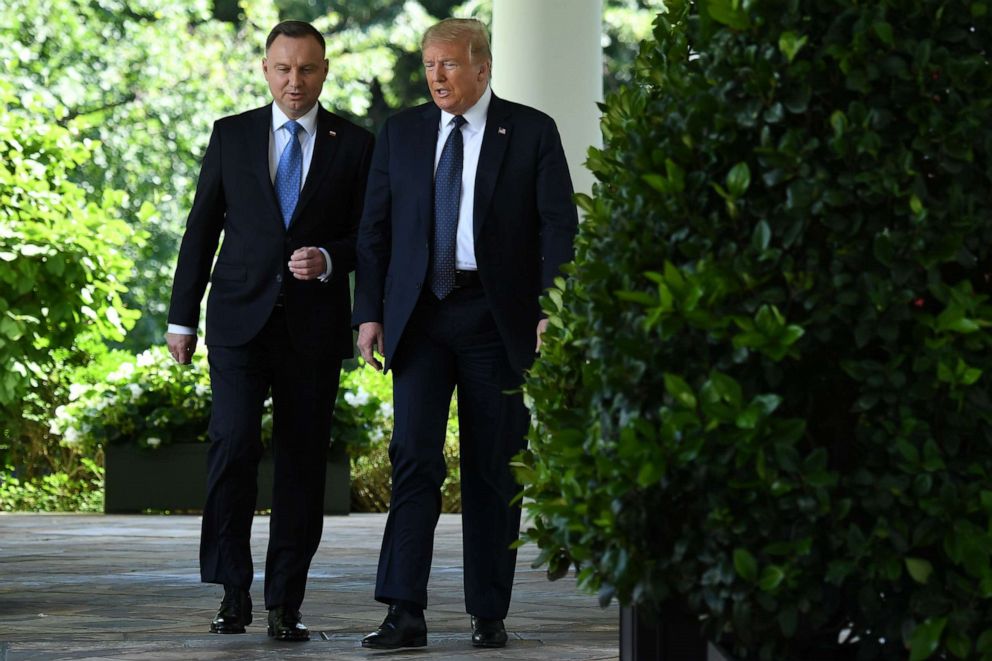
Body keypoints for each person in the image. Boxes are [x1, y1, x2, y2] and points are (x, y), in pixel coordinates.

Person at [352, 17, 578, 650]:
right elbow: (374, 233)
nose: (436, 76)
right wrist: (368, 313)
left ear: (483, 67)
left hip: (495, 318)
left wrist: (549, 308)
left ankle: (488, 612)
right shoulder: (401, 132)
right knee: (414, 460)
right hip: (420, 318)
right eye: (429, 64)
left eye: (449, 64)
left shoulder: (531, 131)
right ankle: (404, 612)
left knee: (493, 468)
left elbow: (558, 226)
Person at [165, 20, 373, 642]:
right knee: (231, 448)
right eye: (283, 69)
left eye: (306, 70)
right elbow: (201, 229)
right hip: (236, 320)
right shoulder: (231, 136)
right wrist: (182, 316)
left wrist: (331, 259)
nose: (294, 81)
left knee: (302, 465)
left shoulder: (355, 145)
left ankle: (286, 602)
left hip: (312, 326)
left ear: (324, 71)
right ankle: (232, 592)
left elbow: (369, 236)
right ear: (265, 69)